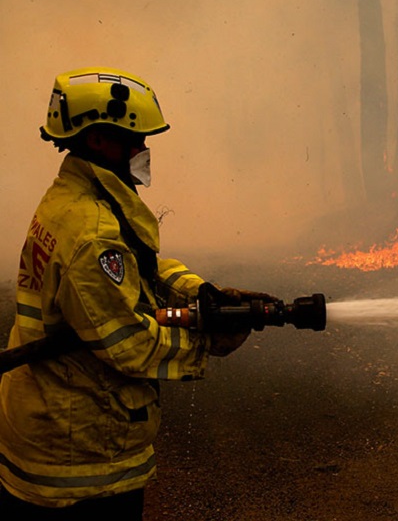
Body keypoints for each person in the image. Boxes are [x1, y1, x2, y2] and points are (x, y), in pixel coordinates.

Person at [0, 67, 268, 519]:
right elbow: (129, 343)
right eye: (136, 138)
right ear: (99, 140)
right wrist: (207, 340)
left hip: (52, 413)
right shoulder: (92, 232)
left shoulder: (76, 197)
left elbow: (134, 264)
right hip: (79, 451)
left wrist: (198, 289)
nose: (144, 150)